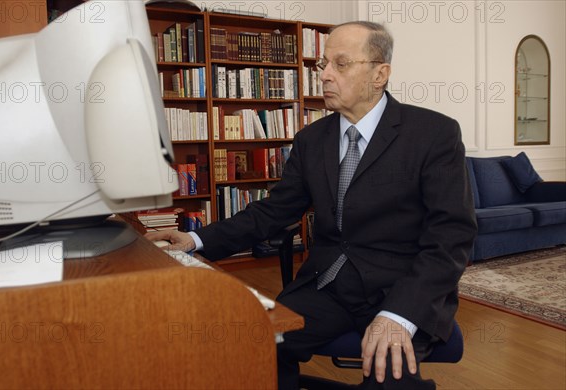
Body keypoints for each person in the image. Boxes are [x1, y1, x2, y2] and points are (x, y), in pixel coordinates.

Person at [147, 21, 477, 390]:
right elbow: (274, 211)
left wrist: (401, 313)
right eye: (323, 65)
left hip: (400, 287)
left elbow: (451, 237)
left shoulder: (433, 134)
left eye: (341, 63)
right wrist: (196, 241)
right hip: (327, 285)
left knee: (389, 374)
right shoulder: (311, 139)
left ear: (380, 73)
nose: (325, 76)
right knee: (252, 348)